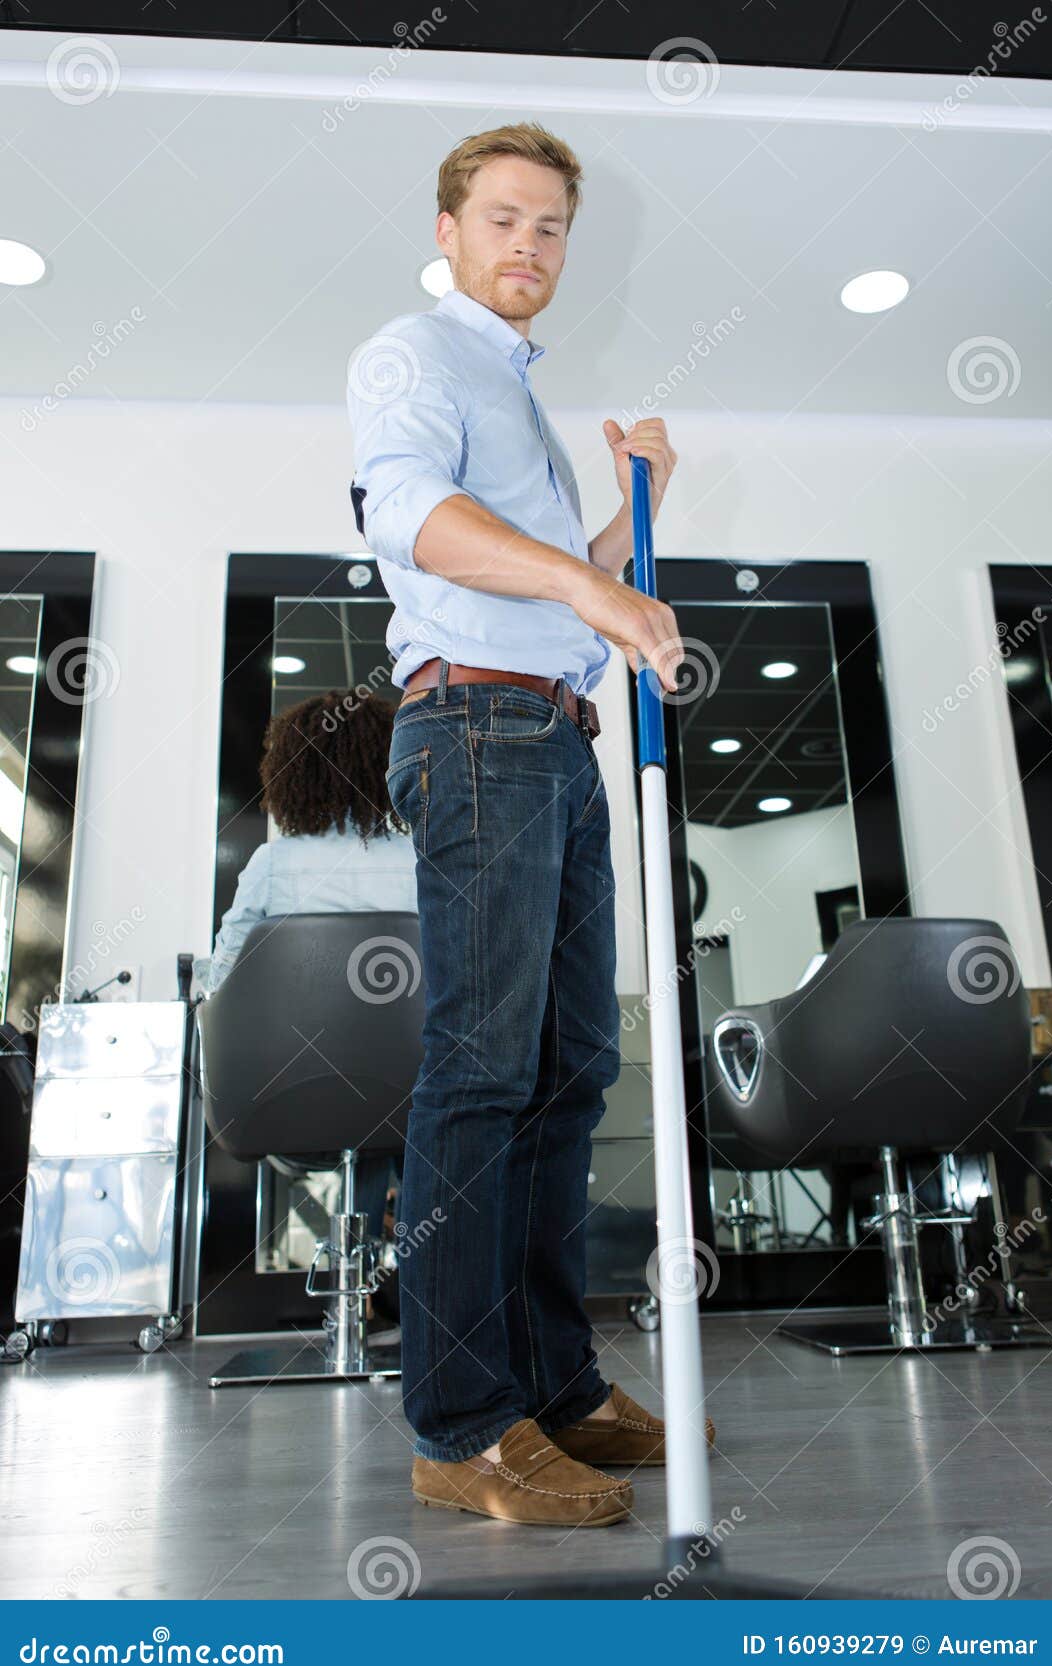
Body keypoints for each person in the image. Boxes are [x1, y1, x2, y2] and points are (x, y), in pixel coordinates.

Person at [347, 122, 714, 1529]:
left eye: (550, 226)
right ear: (447, 231)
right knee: (484, 1071)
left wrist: (626, 520)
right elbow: (412, 516)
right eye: (502, 218)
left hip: (551, 738)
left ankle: (553, 1385)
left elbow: (560, 583)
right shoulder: (414, 354)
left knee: (569, 1070)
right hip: (475, 730)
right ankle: (460, 1424)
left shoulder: (517, 397)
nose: (528, 244)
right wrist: (586, 587)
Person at [208, 690, 417, 1242]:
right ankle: (402, 1255)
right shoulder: (424, 860)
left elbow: (222, 981)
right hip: (410, 1091)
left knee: (349, 1095)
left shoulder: (273, 865)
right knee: (390, 1101)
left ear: (292, 774)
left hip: (290, 1091)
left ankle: (352, 1255)